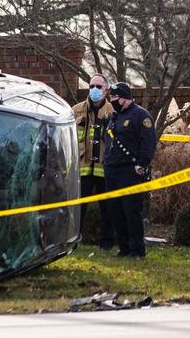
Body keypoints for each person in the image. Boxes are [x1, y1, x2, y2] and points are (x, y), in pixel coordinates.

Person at [102, 81, 157, 258]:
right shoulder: (114, 117)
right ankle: (124, 247)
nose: (113, 100)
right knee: (115, 210)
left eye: (115, 97)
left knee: (131, 210)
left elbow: (148, 143)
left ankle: (137, 249)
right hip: (112, 170)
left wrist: (142, 163)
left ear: (125, 98)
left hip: (130, 170)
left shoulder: (141, 116)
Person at [73, 74, 115, 250]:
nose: (94, 90)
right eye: (91, 86)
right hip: (82, 167)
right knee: (78, 208)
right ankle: (74, 241)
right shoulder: (76, 110)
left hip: (105, 168)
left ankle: (106, 243)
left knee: (107, 208)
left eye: (98, 87)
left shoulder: (114, 112)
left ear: (106, 91)